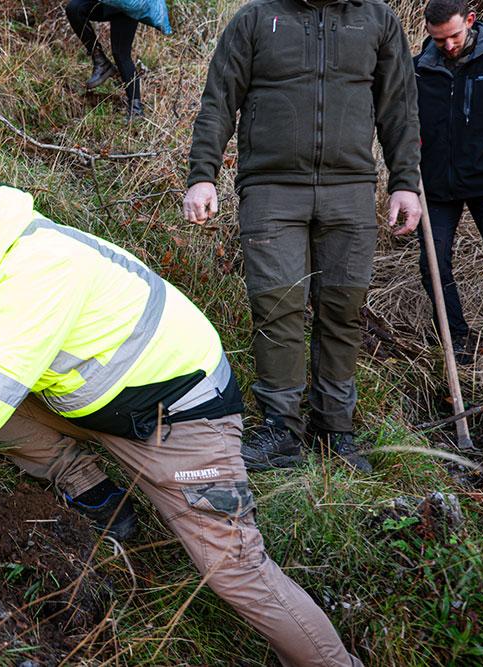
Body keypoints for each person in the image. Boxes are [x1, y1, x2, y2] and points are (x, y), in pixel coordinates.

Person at [0, 179, 363, 666]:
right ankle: (98, 494)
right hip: (92, 403)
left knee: (235, 570)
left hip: (180, 419)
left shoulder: (40, 269)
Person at [183, 0, 424, 473]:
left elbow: (399, 107)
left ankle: (335, 429)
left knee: (343, 309)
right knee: (278, 308)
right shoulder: (255, 19)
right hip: (271, 191)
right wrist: (202, 174)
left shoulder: (376, 20)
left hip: (350, 191)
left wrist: (404, 183)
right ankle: (281, 431)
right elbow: (218, 98)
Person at [414, 0, 483, 365]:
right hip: (437, 187)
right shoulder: (418, 71)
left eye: (454, 36)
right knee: (433, 264)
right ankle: (457, 338)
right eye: (438, 39)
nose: (448, 45)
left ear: (470, 20)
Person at [65, 0, 144, 119]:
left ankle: (136, 109)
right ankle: (100, 60)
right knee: (74, 9)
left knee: (121, 54)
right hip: (106, 4)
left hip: (128, 6)